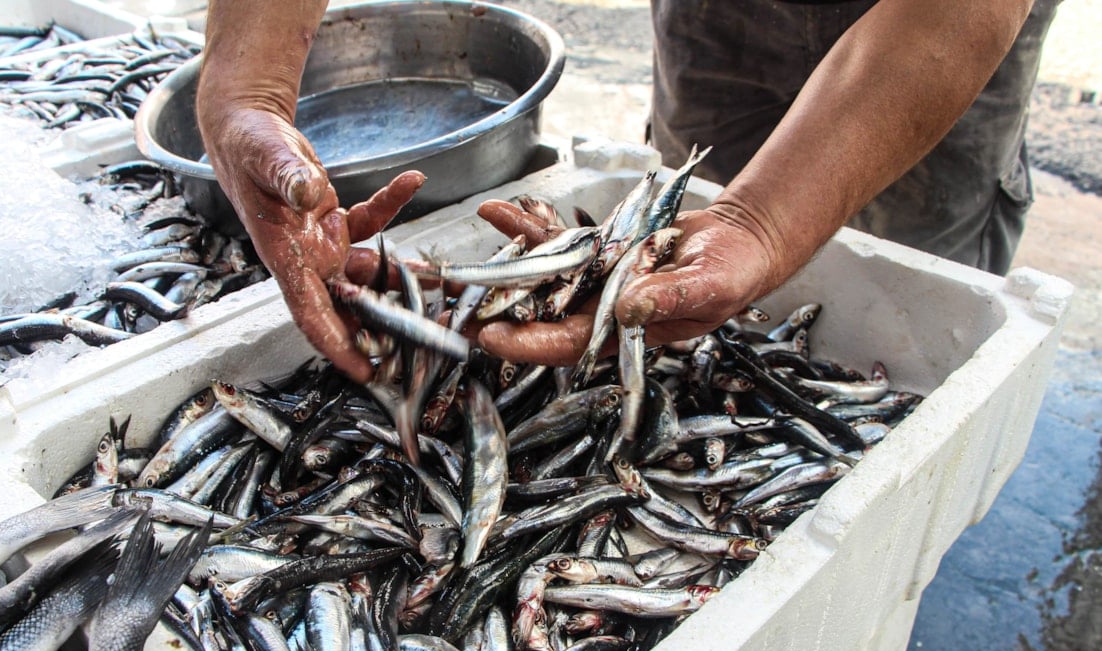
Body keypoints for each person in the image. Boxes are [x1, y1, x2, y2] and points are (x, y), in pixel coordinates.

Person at [196, 0, 1053, 382]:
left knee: (905, 290)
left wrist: (762, 220)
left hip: (933, 23)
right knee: (681, 239)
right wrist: (249, 83)